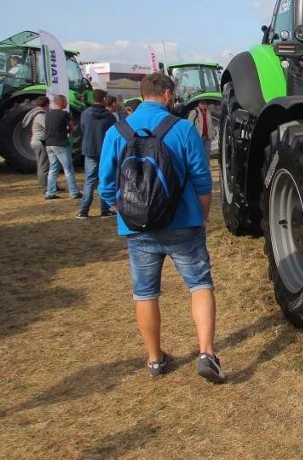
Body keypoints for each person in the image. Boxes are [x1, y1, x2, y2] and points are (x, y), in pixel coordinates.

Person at [98, 72, 224, 382]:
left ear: (142, 95)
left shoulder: (117, 131)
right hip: (184, 224)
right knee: (199, 285)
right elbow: (202, 180)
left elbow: (105, 187)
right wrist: (202, 215)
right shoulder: (182, 129)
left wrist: (129, 211)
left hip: (137, 230)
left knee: (144, 293)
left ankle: (155, 360)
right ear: (167, 95)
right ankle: (206, 352)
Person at [76, 89, 116, 219]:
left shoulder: (85, 114)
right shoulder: (110, 116)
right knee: (104, 180)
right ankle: (105, 210)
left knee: (90, 181)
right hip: (104, 151)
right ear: (104, 99)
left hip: (89, 150)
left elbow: (82, 129)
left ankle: (83, 210)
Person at [43, 94, 81, 200]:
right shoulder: (64, 114)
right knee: (68, 169)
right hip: (60, 143)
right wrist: (67, 131)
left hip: (49, 144)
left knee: (53, 168)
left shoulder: (48, 114)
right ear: (60, 102)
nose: (67, 103)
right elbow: (72, 127)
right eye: (65, 101)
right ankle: (74, 192)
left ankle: (50, 192)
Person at [22, 96, 50, 192]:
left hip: (36, 141)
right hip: (40, 142)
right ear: (47, 104)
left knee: (43, 164)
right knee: (43, 165)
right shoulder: (41, 115)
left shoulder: (35, 114)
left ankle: (48, 185)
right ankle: (45, 187)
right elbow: (48, 127)